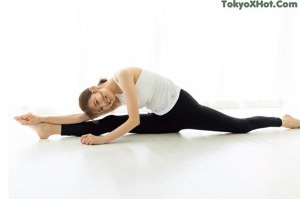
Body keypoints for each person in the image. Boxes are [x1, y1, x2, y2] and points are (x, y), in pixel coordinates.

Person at [14, 67, 300, 146]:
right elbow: (83, 115)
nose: (105, 104)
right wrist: (41, 115)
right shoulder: (113, 98)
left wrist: (102, 141)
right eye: (101, 106)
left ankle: (282, 120)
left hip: (184, 108)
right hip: (165, 118)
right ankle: (50, 129)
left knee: (237, 128)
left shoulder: (124, 75)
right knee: (110, 122)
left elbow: (135, 121)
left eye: (100, 100)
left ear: (96, 87)